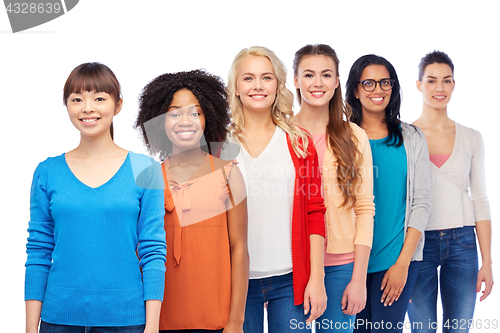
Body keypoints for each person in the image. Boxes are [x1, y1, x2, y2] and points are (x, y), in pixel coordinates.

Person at [25, 62, 167, 333]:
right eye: (77, 99)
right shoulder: (47, 171)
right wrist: (31, 329)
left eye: (99, 98)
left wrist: (152, 327)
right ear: (67, 105)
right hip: (58, 320)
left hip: (127, 321)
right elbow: (38, 251)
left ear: (118, 105)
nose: (87, 107)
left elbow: (153, 251)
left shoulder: (145, 169)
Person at [135, 69, 249, 333]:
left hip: (216, 320)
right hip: (159, 321)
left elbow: (240, 249)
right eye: (174, 113)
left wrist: (236, 321)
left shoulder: (229, 173)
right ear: (160, 121)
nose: (184, 121)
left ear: (208, 117)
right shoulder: (150, 177)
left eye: (195, 112)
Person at [226, 46, 327, 333]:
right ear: (235, 87)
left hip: (290, 280)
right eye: (248, 78)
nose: (258, 85)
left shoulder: (299, 142)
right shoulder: (219, 144)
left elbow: (315, 211)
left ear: (278, 85)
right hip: (236, 283)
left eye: (266, 77)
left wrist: (316, 278)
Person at [345, 55, 431, 333]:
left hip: (395, 260)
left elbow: (421, 203)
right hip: (348, 262)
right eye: (368, 83)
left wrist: (403, 263)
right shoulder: (342, 138)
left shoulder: (412, 138)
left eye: (385, 82)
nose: (377, 90)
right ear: (355, 90)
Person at [408, 51, 493, 333]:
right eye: (431, 81)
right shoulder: (404, 136)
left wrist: (487, 262)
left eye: (446, 81)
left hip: (462, 243)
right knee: (423, 328)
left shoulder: (472, 137)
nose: (439, 88)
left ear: (454, 85)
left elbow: (480, 199)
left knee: (458, 329)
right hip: (417, 244)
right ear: (419, 85)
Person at [292, 44, 375, 332]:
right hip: (295, 265)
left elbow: (365, 209)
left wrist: (359, 278)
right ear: (295, 81)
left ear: (337, 81)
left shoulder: (354, 136)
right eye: (309, 75)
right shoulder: (284, 136)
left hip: (343, 267)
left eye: (326, 75)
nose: (318, 83)